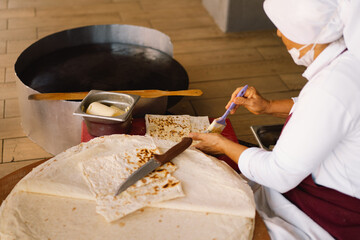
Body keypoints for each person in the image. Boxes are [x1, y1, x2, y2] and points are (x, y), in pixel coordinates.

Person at [189, 0, 360, 239]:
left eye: (284, 27)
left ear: (306, 32)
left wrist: (221, 145)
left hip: (319, 218)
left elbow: (278, 174)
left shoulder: (331, 88)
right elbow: (317, 112)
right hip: (305, 193)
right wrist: (266, 107)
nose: (279, 32)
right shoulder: (348, 62)